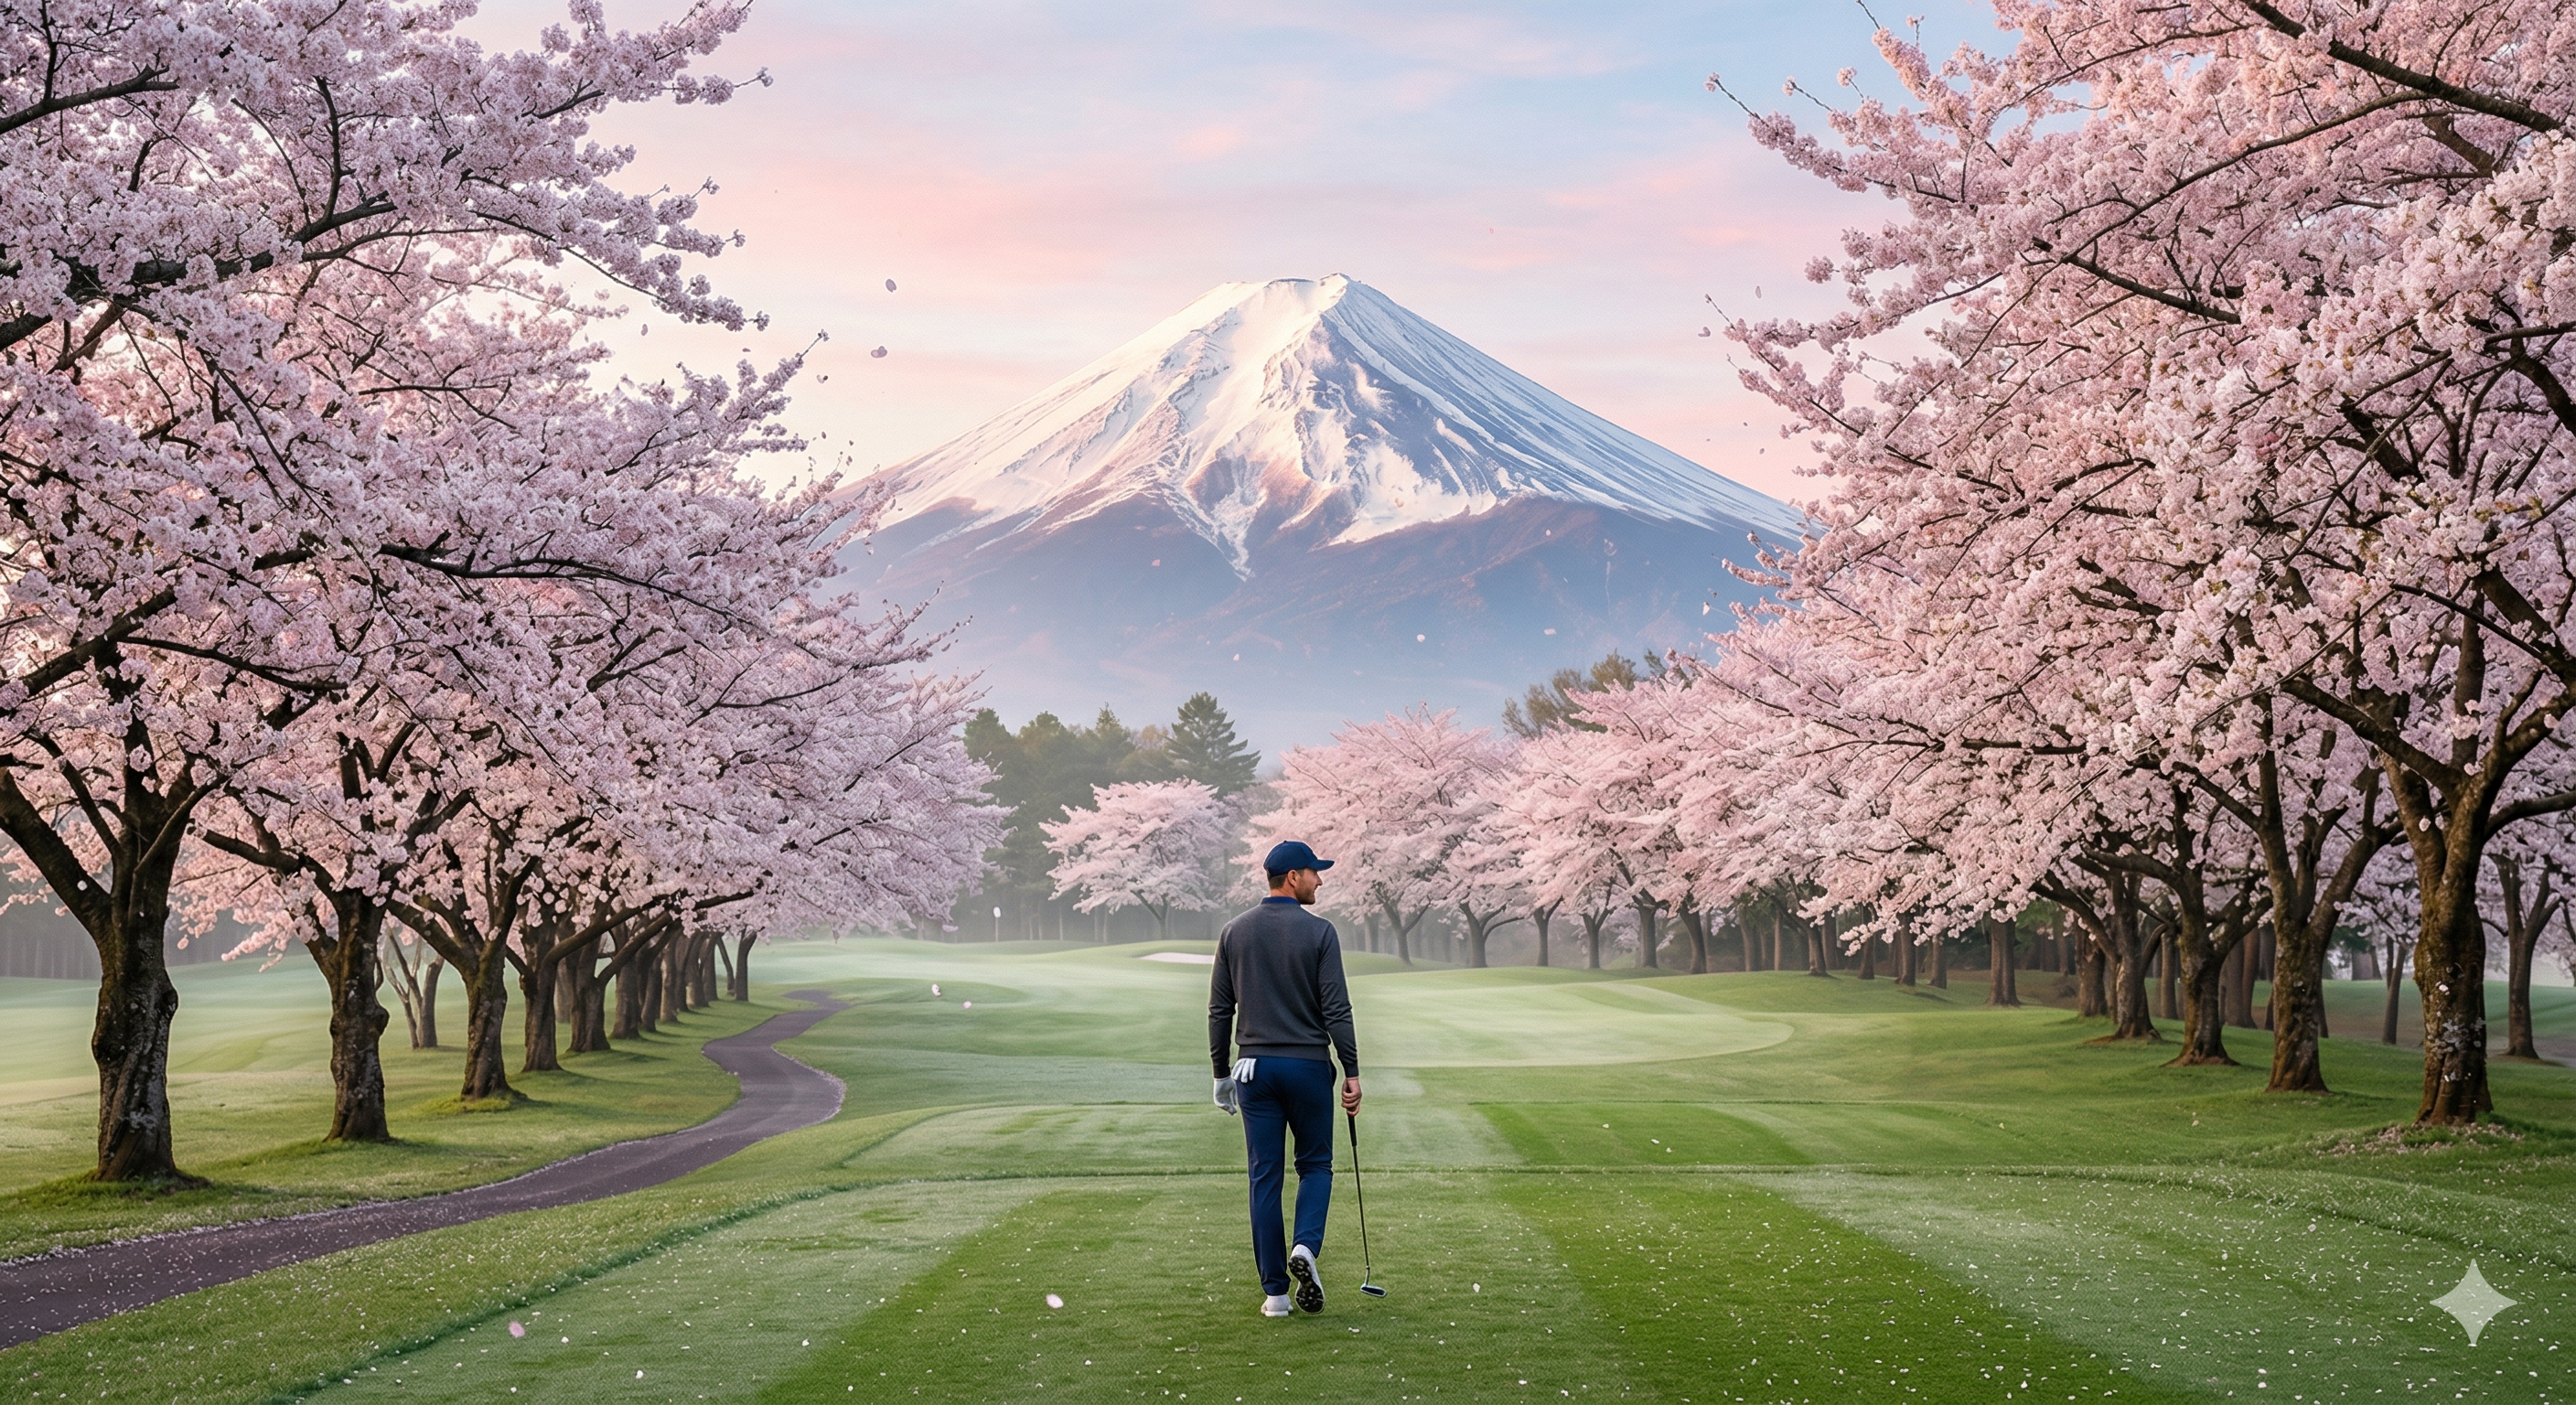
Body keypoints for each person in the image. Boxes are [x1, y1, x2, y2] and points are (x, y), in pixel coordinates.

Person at [1208, 840, 1362, 1317]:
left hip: (1253, 1069)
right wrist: (1352, 1071)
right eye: (1315, 872)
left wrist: (1220, 1074)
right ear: (1292, 877)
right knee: (1315, 1165)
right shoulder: (1320, 932)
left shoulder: (1234, 932)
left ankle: (1275, 1295)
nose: (1320, 880)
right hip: (1309, 1066)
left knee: (1265, 1177)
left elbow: (1219, 1009)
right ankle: (1305, 1248)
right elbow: (1336, 1008)